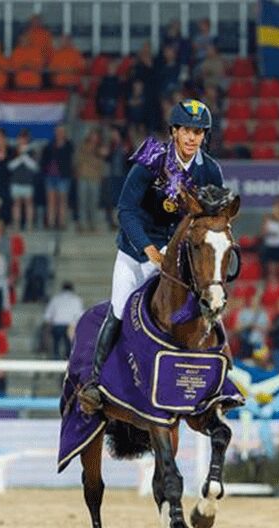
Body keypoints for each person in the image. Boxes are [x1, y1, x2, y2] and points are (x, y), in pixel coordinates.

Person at [78, 99, 224, 409]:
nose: (192, 138)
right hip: (138, 251)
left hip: (180, 255)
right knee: (119, 309)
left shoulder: (210, 170)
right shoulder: (152, 160)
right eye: (186, 131)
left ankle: (220, 383)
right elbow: (126, 209)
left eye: (198, 132)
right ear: (174, 132)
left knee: (211, 303)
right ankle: (94, 382)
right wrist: (148, 248)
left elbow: (213, 219)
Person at [39, 125, 73, 229]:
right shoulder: (49, 145)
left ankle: (62, 222)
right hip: (50, 176)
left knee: (62, 200)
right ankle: (51, 222)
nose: (59, 133)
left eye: (62, 131)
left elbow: (69, 160)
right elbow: (44, 160)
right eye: (58, 131)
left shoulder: (68, 145)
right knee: (51, 201)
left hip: (63, 176)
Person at [73, 128, 107, 233]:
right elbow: (78, 160)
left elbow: (101, 163)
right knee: (82, 202)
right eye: (92, 135)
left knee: (93, 203)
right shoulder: (82, 146)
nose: (94, 138)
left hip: (95, 178)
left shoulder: (100, 148)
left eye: (96, 136)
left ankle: (93, 225)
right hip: (83, 177)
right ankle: (82, 225)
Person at [43, 281, 85, 360]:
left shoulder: (55, 299)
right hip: (70, 326)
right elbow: (80, 315)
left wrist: (47, 329)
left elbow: (47, 316)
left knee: (56, 345)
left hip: (57, 325)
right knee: (69, 346)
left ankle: (56, 359)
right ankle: (68, 361)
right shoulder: (76, 300)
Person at [8, 129, 38, 231]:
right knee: (16, 204)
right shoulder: (13, 150)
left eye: (24, 138)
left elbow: (34, 167)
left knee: (29, 203)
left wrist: (24, 156)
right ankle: (16, 224)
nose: (22, 140)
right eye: (20, 138)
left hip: (28, 182)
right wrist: (20, 156)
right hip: (16, 182)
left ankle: (29, 224)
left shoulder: (32, 151)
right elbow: (10, 166)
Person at [237, 292, 270, 359]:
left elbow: (267, 330)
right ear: (250, 301)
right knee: (246, 362)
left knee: (258, 362)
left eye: (257, 301)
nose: (255, 302)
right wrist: (247, 326)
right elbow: (237, 328)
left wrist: (257, 327)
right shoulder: (244, 312)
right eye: (253, 300)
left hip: (259, 343)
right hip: (246, 343)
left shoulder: (263, 314)